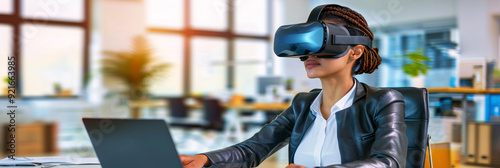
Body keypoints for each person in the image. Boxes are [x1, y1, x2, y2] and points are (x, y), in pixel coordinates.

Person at [180, 4, 408, 168]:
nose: (310, 53)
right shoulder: (303, 104)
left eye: (322, 41)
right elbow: (254, 148)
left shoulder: (383, 101)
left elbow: (388, 162)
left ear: (355, 51)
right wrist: (205, 159)